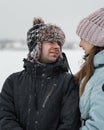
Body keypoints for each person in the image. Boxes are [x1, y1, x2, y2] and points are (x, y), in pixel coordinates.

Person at [0, 17, 80, 130]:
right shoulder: (13, 82)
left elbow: (70, 122)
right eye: (51, 42)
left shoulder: (68, 82)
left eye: (59, 43)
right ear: (36, 47)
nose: (57, 46)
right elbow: (5, 117)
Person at [75, 7, 104, 130]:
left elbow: (98, 126)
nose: (80, 44)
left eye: (83, 38)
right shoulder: (96, 70)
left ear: (97, 39)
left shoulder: (102, 76)